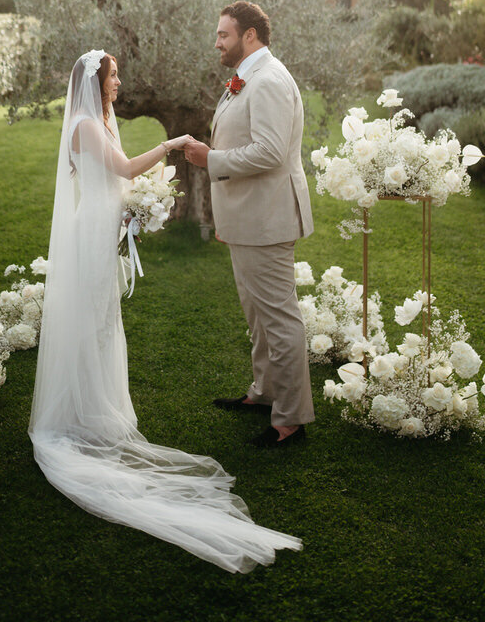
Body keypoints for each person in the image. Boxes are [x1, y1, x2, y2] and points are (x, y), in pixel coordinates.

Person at [29, 48, 302, 573]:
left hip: (103, 229)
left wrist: (136, 208)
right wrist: (172, 145)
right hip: (88, 236)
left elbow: (119, 181)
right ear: (95, 82)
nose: (120, 82)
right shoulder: (86, 125)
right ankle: (76, 416)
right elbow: (125, 168)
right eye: (113, 76)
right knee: (91, 324)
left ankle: (95, 409)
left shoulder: (101, 119)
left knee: (104, 325)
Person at [184, 2, 315, 447]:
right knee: (258, 316)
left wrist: (211, 159)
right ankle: (264, 393)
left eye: (223, 34)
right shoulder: (248, 77)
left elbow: (271, 152)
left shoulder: (270, 80)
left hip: (267, 218)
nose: (217, 42)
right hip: (248, 217)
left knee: (278, 319)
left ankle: (290, 419)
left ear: (251, 35)